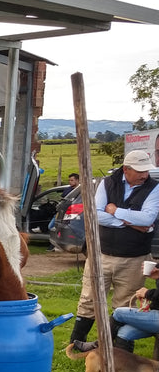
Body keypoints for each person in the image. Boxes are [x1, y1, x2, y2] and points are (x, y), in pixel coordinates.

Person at [68, 149, 159, 349]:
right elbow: (95, 214)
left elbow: (147, 219)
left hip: (134, 258)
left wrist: (115, 211)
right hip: (101, 254)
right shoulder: (107, 183)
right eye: (140, 171)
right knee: (88, 299)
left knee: (126, 304)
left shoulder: (154, 188)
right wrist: (131, 223)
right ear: (126, 169)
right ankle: (75, 345)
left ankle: (119, 354)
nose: (145, 175)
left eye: (146, 170)